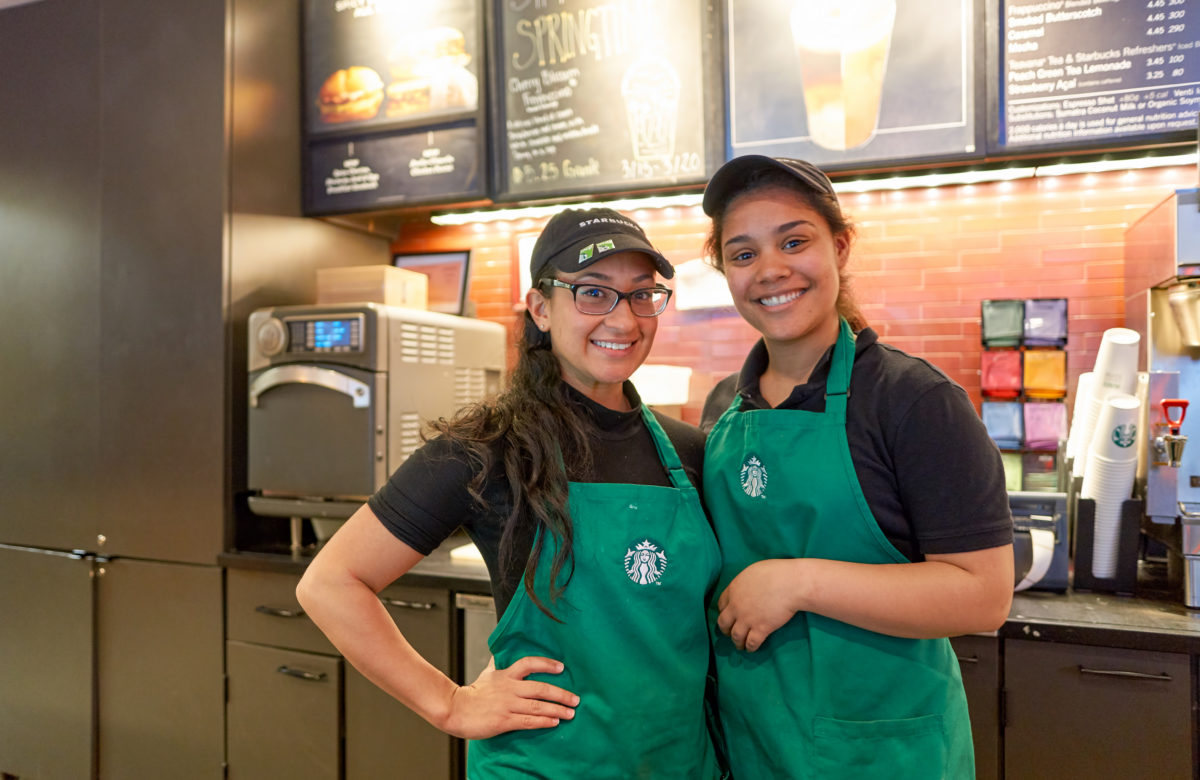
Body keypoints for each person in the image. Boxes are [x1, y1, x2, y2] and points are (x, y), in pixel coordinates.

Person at [296, 207, 723, 779]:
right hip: (545, 765)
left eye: (642, 295)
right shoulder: (490, 448)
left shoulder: (691, 453)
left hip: (678, 765)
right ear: (541, 308)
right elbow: (330, 584)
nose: (623, 319)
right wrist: (450, 703)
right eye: (593, 293)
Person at [697, 155, 1015, 779]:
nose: (771, 271)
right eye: (743, 255)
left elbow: (984, 594)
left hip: (880, 749)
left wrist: (798, 582)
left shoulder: (913, 401)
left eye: (794, 241)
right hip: (753, 741)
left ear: (839, 248)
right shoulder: (723, 409)